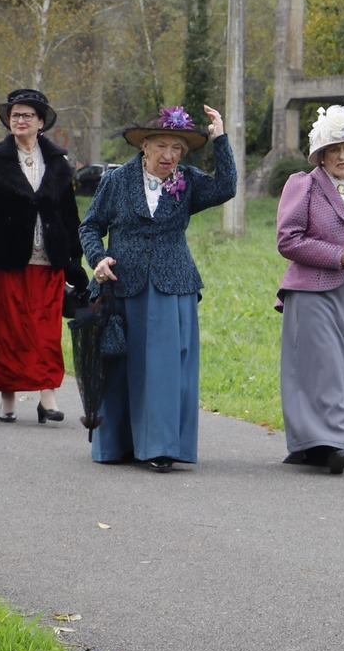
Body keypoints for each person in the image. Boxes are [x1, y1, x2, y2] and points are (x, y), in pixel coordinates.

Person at [80, 103, 236, 471]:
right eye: (162, 146)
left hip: (173, 286)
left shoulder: (190, 181)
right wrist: (98, 258)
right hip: (122, 285)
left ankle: (161, 447)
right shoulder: (116, 182)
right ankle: (118, 445)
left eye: (177, 148)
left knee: (164, 369)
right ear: (144, 146)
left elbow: (227, 187)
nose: (169, 155)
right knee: (120, 367)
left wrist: (221, 140)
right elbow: (90, 226)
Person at [274, 100, 344, 475]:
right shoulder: (302, 186)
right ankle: (333, 444)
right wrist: (339, 255)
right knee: (320, 367)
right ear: (321, 156)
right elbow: (287, 240)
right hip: (312, 290)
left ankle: (324, 443)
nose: (343, 156)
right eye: (335, 150)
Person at [0, 88, 87, 423]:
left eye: (27, 116)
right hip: (7, 261)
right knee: (8, 332)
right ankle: (8, 400)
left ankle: (47, 398)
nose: (20, 120)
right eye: (15, 115)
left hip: (48, 262)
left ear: (40, 122)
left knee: (45, 332)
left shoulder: (59, 165)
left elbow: (69, 215)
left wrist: (75, 262)